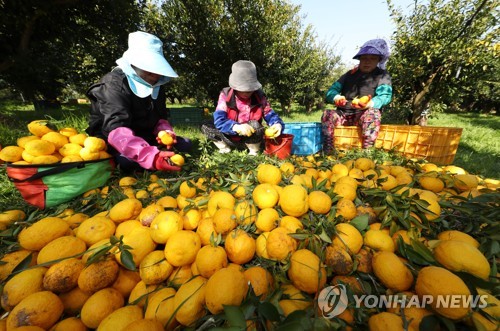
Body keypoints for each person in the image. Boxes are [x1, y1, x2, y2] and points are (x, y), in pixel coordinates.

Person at [86, 31, 191, 172]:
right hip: (117, 142)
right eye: (149, 70)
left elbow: (160, 117)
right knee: (127, 162)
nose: (155, 75)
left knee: (185, 144)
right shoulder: (114, 85)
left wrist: (164, 131)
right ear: (133, 65)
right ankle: (145, 156)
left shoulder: (156, 84)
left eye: (157, 70)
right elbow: (117, 130)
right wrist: (150, 157)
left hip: (143, 135)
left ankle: (151, 152)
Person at [322, 38, 392, 152]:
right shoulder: (349, 74)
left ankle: (367, 150)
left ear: (378, 60)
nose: (367, 62)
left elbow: (385, 96)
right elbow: (331, 91)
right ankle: (328, 148)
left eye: (372, 59)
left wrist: (370, 103)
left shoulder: (382, 75)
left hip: (363, 115)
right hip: (343, 114)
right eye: (364, 58)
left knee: (373, 113)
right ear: (359, 59)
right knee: (327, 114)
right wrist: (336, 98)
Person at [201, 60, 284, 155]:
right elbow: (219, 120)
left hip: (251, 139)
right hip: (228, 137)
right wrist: (235, 126)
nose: (246, 93)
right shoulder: (225, 95)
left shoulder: (259, 97)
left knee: (255, 125)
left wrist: (277, 124)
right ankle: (224, 148)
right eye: (242, 89)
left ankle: (254, 151)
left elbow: (270, 114)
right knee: (206, 125)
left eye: (249, 90)